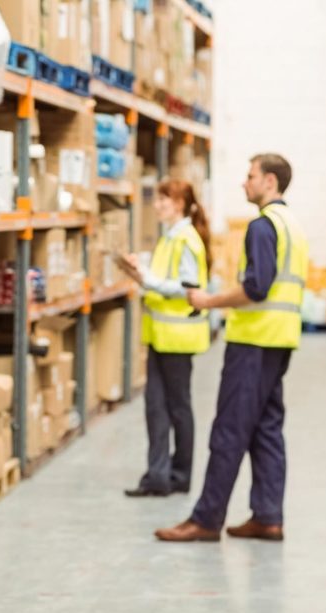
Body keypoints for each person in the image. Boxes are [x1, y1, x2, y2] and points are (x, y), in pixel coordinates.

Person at [154, 153, 308, 543]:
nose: (244, 183)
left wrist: (208, 301)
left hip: (253, 342)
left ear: (269, 182)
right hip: (279, 340)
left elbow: (256, 288)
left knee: (228, 431)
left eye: (250, 176)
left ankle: (206, 520)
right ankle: (268, 516)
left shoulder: (262, 226)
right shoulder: (292, 224)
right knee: (266, 429)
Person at [124, 179, 211, 498]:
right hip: (161, 335)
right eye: (158, 199)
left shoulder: (186, 238)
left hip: (179, 336)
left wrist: (148, 280)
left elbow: (189, 286)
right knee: (155, 407)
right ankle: (157, 476)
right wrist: (141, 270)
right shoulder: (170, 237)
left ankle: (180, 475)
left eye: (165, 199)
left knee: (178, 407)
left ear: (181, 204)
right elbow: (165, 277)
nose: (158, 205)